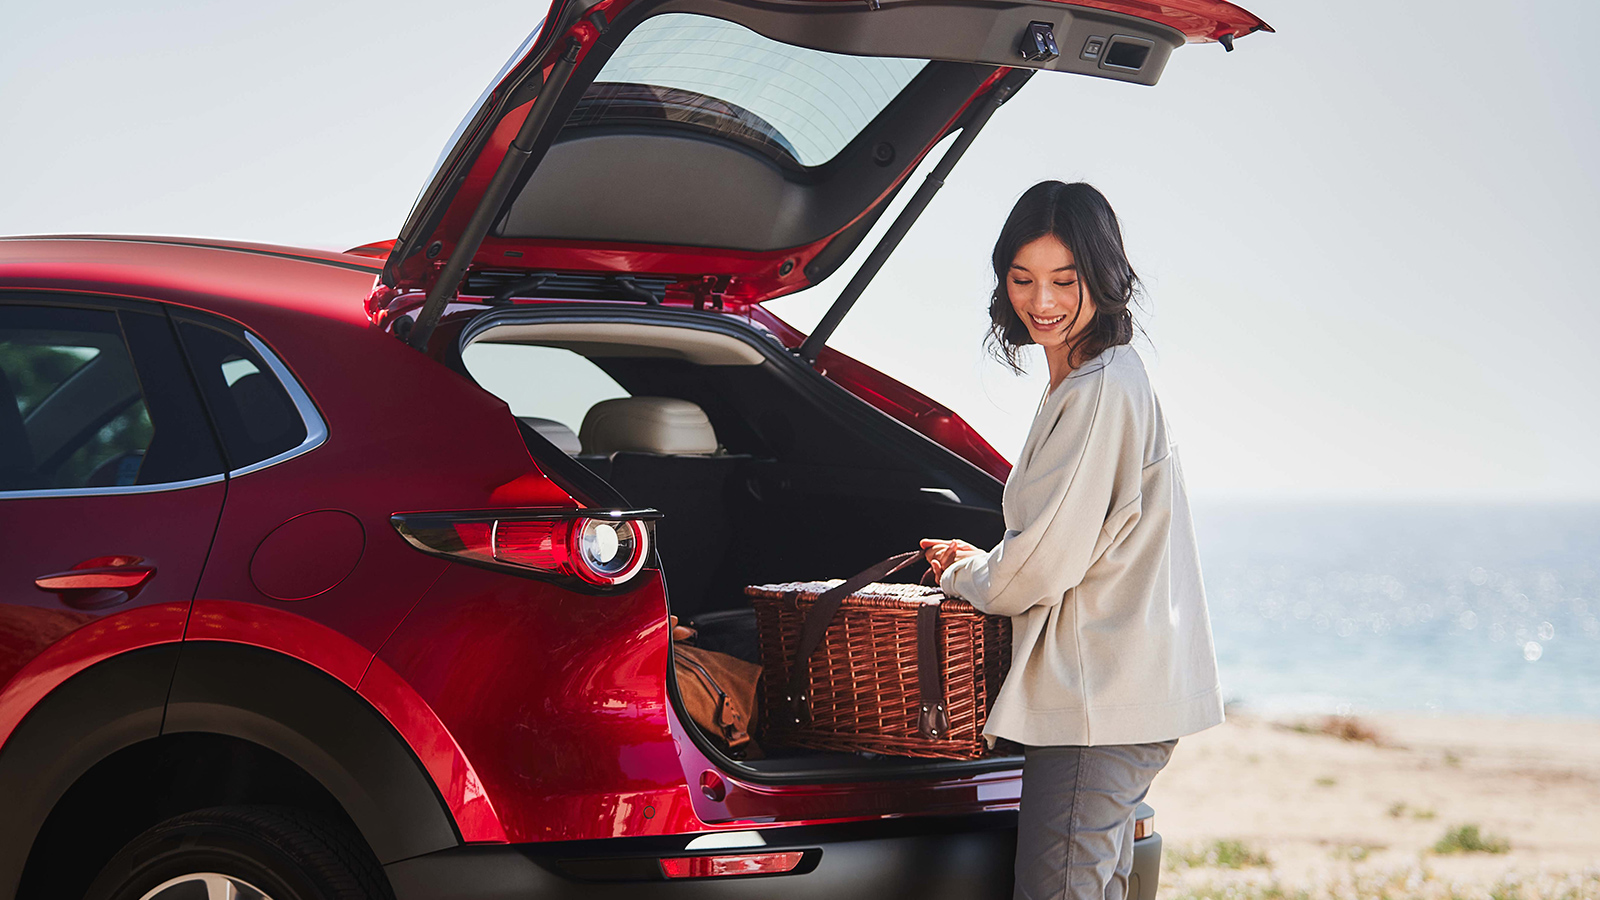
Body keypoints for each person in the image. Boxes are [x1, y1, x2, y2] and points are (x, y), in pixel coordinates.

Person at [920, 180, 1223, 900]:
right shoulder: (1100, 379)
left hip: (1097, 705)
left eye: (1065, 279)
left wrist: (963, 572)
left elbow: (1037, 567)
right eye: (1022, 278)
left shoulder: (1097, 392)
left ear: (1104, 276)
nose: (1042, 300)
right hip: (1119, 694)